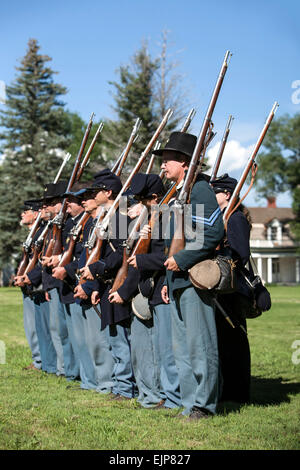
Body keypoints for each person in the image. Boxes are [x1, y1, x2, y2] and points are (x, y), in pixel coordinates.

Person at [155, 131, 224, 419]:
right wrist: (167, 280)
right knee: (182, 348)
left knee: (199, 346)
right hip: (178, 280)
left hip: (194, 277)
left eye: (167, 160)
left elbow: (213, 233)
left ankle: (205, 405)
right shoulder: (177, 195)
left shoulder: (199, 190)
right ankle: (189, 403)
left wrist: (181, 260)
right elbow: (172, 239)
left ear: (184, 161)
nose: (162, 166)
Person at [78, 169, 137, 400]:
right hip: (107, 284)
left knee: (122, 342)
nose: (93, 195)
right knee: (114, 340)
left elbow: (122, 253)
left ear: (108, 192)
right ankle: (121, 386)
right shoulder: (108, 216)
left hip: (117, 282)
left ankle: (126, 388)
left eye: (97, 190)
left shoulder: (120, 217)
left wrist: (96, 268)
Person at [126, 173, 181, 410]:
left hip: (166, 287)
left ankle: (174, 399)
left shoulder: (169, 215)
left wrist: (143, 261)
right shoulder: (153, 217)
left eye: (143, 199)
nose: (140, 204)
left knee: (168, 352)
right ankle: (168, 397)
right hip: (155, 289)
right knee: (161, 349)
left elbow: (171, 254)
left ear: (155, 197)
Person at [210, 173, 251, 404]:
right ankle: (229, 390)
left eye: (215, 191)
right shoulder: (223, 217)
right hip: (222, 286)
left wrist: (219, 257)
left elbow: (240, 254)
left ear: (226, 194)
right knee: (224, 342)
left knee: (234, 341)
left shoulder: (234, 218)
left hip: (232, 287)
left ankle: (238, 393)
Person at [14, 200, 42, 371]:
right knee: (30, 326)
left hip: (37, 284)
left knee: (39, 327)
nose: (23, 214)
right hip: (28, 284)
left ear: (36, 214)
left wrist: (28, 277)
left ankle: (42, 361)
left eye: (27, 211)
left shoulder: (40, 233)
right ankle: (38, 359)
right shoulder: (33, 234)